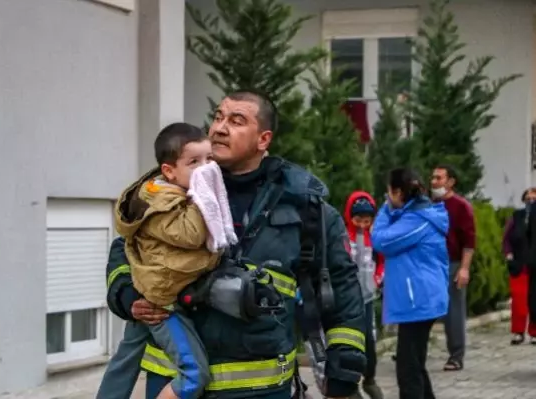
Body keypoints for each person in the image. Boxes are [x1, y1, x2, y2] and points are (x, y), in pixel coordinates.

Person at [102, 90, 367, 399]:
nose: (219, 128)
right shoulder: (174, 188)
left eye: (236, 120)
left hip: (260, 390)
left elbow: (341, 284)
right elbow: (127, 248)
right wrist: (127, 295)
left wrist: (345, 362)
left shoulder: (301, 204)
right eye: (218, 117)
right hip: (174, 386)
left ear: (263, 139)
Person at [107, 122, 241, 399]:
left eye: (209, 160)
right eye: (194, 162)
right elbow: (192, 235)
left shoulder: (174, 191)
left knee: (124, 361)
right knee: (193, 374)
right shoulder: (161, 203)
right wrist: (203, 196)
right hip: (162, 300)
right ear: (169, 171)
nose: (205, 169)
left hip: (161, 290)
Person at [371, 167, 449, 399]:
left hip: (419, 300)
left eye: (388, 192)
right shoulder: (417, 214)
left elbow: (381, 240)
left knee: (407, 369)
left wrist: (386, 208)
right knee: (415, 364)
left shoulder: (418, 220)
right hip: (420, 298)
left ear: (396, 192)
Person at [431, 164, 475, 371]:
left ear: (450, 182)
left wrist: (464, 268)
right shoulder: (430, 205)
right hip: (430, 263)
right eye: (433, 178)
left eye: (439, 178)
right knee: (424, 308)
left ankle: (456, 355)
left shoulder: (461, 206)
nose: (434, 182)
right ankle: (413, 349)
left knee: (453, 311)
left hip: (452, 263)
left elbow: (469, 241)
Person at [343, 191, 384, 399]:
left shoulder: (374, 239)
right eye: (358, 219)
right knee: (350, 344)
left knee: (369, 341)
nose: (361, 225)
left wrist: (377, 279)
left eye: (366, 221)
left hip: (367, 297)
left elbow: (381, 263)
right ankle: (351, 385)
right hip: (348, 301)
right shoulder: (342, 238)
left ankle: (370, 379)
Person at [503, 188, 536, 345]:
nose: (530, 201)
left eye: (534, 199)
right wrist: (509, 255)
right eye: (528, 198)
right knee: (519, 300)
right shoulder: (516, 217)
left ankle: (534, 332)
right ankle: (518, 332)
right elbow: (507, 238)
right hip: (519, 264)